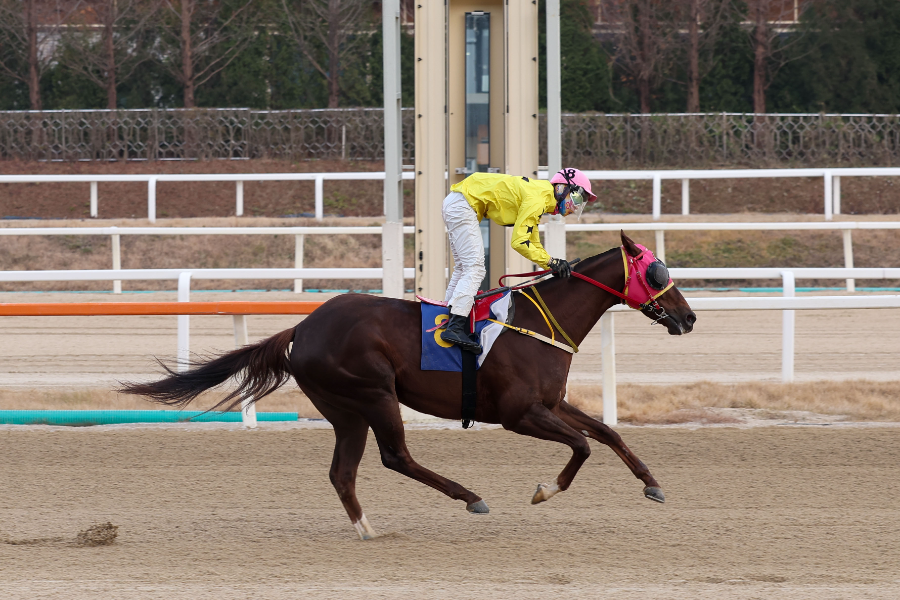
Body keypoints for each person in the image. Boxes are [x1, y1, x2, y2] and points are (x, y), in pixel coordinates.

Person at [440, 168, 597, 353]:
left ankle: (446, 317)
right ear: (563, 188)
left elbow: (533, 242)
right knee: (475, 268)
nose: (576, 206)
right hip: (462, 204)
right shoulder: (538, 198)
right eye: (578, 198)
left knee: (464, 267)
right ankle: (455, 327)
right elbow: (520, 242)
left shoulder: (541, 195)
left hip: (458, 202)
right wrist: (552, 262)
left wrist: (551, 263)